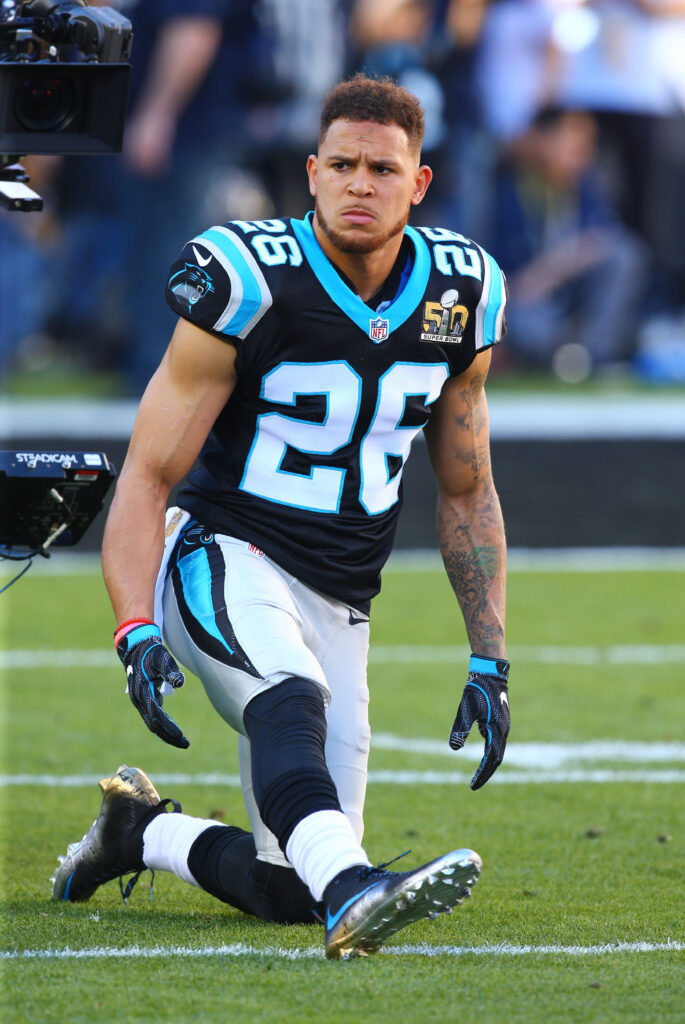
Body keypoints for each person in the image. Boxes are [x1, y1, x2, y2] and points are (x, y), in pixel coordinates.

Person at [51, 75, 510, 960]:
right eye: (341, 164)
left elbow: (466, 489)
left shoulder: (463, 292)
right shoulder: (249, 277)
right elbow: (146, 475)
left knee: (287, 884)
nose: (359, 184)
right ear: (311, 172)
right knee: (288, 704)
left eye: (383, 168)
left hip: (342, 597)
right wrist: (134, 628)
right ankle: (358, 891)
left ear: (419, 184)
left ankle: (138, 835)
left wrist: (490, 654)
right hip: (224, 557)